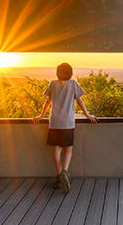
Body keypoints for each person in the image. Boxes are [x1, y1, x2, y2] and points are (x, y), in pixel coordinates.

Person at [33, 63, 97, 193]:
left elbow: (48, 101)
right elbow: (80, 100)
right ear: (70, 73)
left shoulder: (52, 84)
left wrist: (41, 115)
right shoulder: (73, 84)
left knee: (57, 148)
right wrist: (87, 115)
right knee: (68, 148)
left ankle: (58, 176)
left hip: (55, 122)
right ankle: (65, 172)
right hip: (68, 122)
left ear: (57, 72)